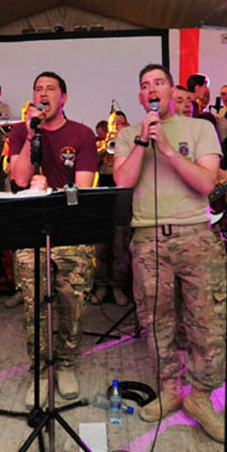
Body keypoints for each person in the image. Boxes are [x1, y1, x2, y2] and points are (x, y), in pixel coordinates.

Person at [113, 63, 227, 442]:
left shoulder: (200, 129)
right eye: (145, 86)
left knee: (205, 320)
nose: (152, 89)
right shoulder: (129, 134)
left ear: (171, 89)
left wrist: (167, 149)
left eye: (158, 82)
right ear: (141, 97)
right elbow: (123, 181)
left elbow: (206, 183)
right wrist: (145, 143)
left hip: (196, 235)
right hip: (148, 240)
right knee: (156, 321)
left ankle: (199, 396)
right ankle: (168, 389)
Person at [6, 71, 97, 407]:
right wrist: (31, 135)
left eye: (50, 89)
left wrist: (52, 191)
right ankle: (40, 371)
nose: (43, 94)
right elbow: (19, 177)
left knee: (73, 302)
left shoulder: (83, 134)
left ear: (64, 97)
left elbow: (84, 188)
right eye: (37, 89)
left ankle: (67, 363)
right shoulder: (20, 131)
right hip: (31, 229)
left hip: (71, 232)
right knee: (35, 307)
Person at [92, 110, 131, 306]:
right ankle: (101, 285)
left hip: (122, 204)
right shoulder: (99, 145)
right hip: (101, 204)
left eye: (120, 123)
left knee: (120, 249)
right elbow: (90, 167)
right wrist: (102, 149)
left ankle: (117, 286)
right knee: (99, 249)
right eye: (113, 124)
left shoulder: (132, 147)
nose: (116, 127)